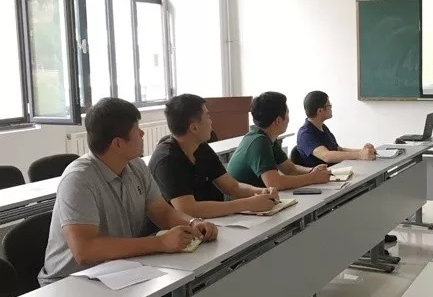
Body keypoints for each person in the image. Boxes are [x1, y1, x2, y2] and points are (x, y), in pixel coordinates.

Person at [39, 98, 217, 286]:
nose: (142, 133)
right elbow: (85, 250)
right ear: (117, 144)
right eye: (136, 129)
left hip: (117, 270)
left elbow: (162, 212)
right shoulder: (78, 180)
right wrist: (160, 243)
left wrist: (193, 223)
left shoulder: (136, 166)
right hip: (70, 282)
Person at [149, 94, 281, 220]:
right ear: (194, 128)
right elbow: (187, 209)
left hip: (208, 223)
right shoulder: (167, 160)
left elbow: (232, 187)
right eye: (207, 116)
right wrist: (247, 204)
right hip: (174, 230)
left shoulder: (200, 147)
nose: (211, 122)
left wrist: (261, 192)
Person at [227, 92, 331, 190]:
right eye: (287, 113)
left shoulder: (268, 137)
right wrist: (312, 178)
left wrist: (313, 171)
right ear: (278, 120)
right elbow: (275, 183)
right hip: (243, 202)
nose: (289, 119)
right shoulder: (259, 142)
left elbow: (290, 169)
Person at [296, 91, 376, 167]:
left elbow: (339, 149)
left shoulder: (322, 127)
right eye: (329, 105)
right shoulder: (305, 134)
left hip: (336, 170)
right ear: (320, 111)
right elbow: (326, 156)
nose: (331, 108)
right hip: (323, 175)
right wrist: (359, 155)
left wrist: (365, 151)